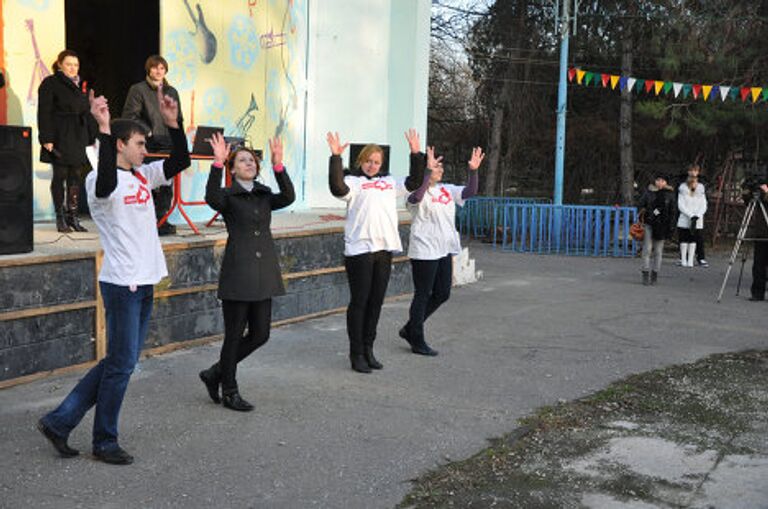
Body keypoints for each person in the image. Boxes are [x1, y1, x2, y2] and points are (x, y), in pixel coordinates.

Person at [37, 86, 190, 465]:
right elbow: (106, 180)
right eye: (138, 143)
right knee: (122, 364)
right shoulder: (99, 182)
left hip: (145, 280)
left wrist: (175, 123)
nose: (144, 149)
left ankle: (60, 421)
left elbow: (180, 160)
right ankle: (104, 441)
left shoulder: (142, 175)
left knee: (119, 361)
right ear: (120, 145)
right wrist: (103, 128)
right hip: (123, 283)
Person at [198, 134, 295, 411]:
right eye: (242, 160)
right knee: (234, 334)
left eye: (252, 160)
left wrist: (279, 166)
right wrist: (216, 164)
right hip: (239, 272)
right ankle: (229, 390)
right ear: (233, 169)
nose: (249, 163)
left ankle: (215, 372)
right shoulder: (228, 196)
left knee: (261, 334)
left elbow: (288, 196)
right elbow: (212, 198)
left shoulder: (264, 194)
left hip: (264, 272)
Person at [327, 129, 424, 373]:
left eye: (376, 162)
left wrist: (415, 153)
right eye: (368, 161)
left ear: (382, 164)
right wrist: (336, 157)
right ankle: (356, 353)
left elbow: (414, 182)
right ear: (361, 161)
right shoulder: (353, 182)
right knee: (360, 302)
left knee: (376, 302)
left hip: (384, 248)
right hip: (360, 249)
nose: (372, 165)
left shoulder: (389, 182)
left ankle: (369, 348)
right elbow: (337, 187)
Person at [399, 146, 484, 356]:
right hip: (425, 250)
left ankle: (410, 328)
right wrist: (426, 172)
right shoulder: (415, 192)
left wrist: (473, 171)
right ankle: (416, 338)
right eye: (436, 167)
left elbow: (469, 192)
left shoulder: (447, 189)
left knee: (443, 293)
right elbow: (416, 199)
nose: (440, 170)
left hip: (444, 249)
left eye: (441, 167)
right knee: (423, 294)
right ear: (427, 170)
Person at [122, 55, 184, 236]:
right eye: (155, 68)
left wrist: (178, 137)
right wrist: (146, 132)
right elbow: (129, 116)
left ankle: (161, 219)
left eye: (162, 68)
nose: (158, 71)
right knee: (146, 182)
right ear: (148, 69)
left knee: (167, 183)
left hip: (168, 143)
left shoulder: (172, 91)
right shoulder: (138, 89)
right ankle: (145, 221)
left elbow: (178, 118)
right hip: (148, 144)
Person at [37, 49, 97, 233]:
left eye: (76, 65)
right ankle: (60, 217)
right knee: (60, 175)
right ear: (60, 65)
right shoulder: (51, 83)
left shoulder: (79, 86)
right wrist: (46, 137)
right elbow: (44, 111)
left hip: (78, 136)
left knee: (75, 177)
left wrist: (92, 135)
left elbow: (86, 112)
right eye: (69, 64)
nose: (73, 68)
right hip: (60, 134)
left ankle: (73, 216)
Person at [638, 173, 676, 285]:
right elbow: (640, 205)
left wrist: (671, 227)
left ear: (666, 182)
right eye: (658, 180)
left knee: (658, 251)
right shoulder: (648, 192)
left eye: (663, 180)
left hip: (662, 226)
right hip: (649, 224)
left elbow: (673, 212)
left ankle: (655, 274)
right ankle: (645, 272)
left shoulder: (670, 194)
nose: (660, 182)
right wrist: (647, 212)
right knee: (647, 249)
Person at [743, 182, 768, 301]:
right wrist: (747, 192)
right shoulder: (760, 189)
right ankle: (757, 292)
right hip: (761, 232)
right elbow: (747, 202)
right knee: (758, 264)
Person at [677, 171, 707, 267]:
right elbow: (681, 205)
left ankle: (692, 259)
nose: (693, 182)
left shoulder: (701, 192)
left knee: (695, 239)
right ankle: (683, 259)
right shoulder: (682, 191)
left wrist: (697, 215)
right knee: (684, 239)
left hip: (697, 220)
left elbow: (704, 205)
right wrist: (690, 215)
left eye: (695, 180)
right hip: (685, 219)